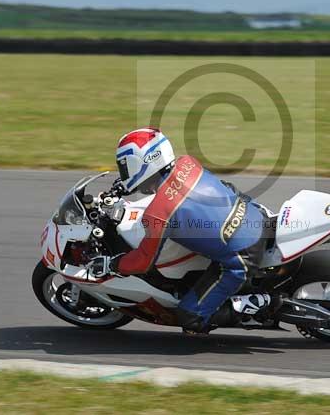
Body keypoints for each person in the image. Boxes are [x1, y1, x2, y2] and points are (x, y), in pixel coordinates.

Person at [94, 127, 271, 334]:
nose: (124, 173)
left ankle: (263, 302)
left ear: (141, 162)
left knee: (189, 318)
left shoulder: (158, 213)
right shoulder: (187, 163)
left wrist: (111, 264)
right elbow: (225, 185)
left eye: (125, 167)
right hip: (256, 214)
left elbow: (144, 261)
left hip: (242, 256)